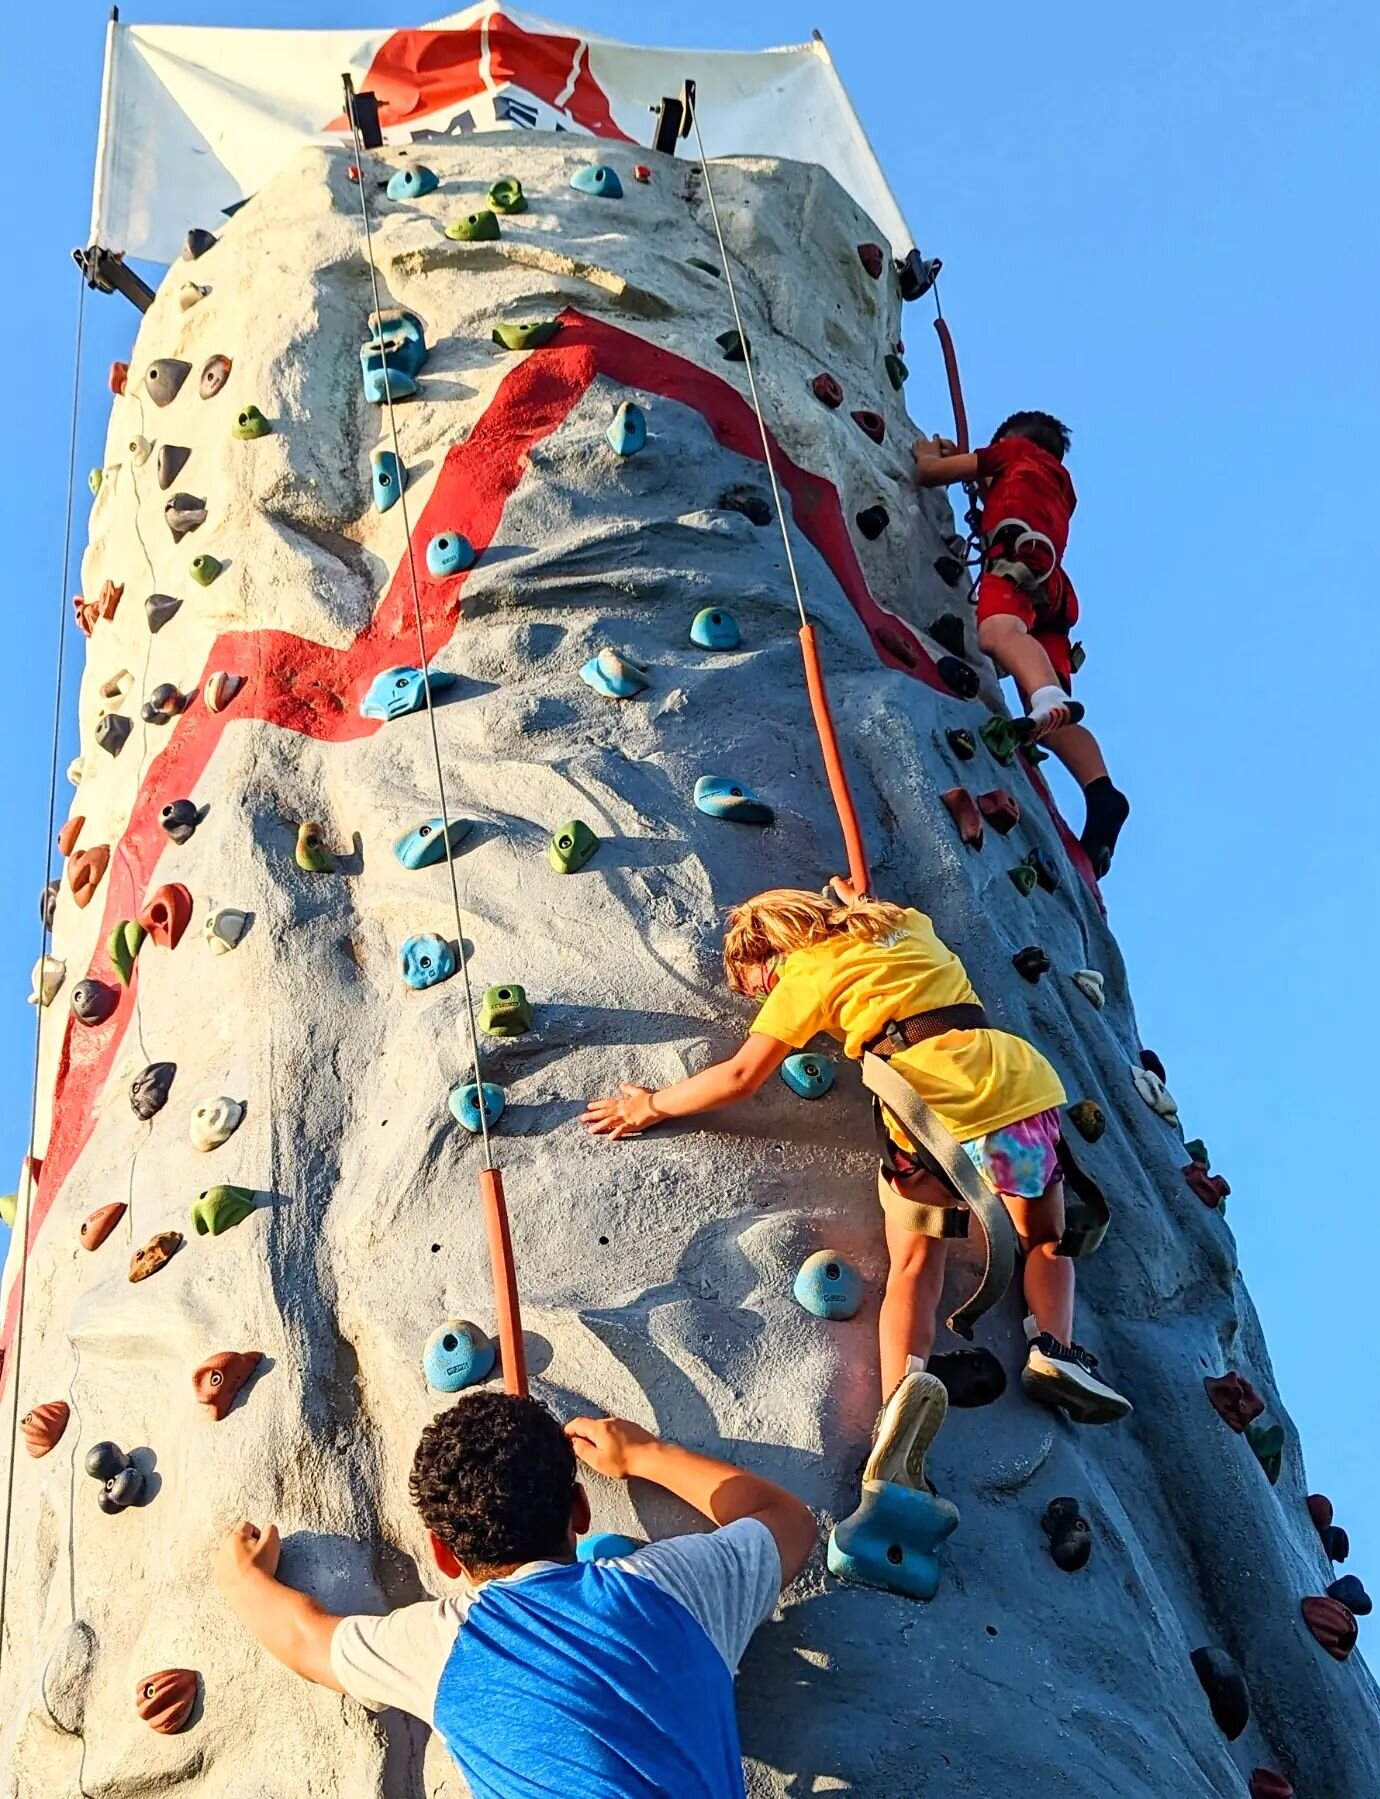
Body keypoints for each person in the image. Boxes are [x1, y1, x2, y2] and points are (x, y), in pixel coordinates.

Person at [584, 883, 1131, 1473]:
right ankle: (1055, 1348)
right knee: (1045, 1239)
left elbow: (742, 1074)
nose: (764, 996)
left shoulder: (805, 975)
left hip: (924, 1112)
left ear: (772, 952)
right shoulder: (905, 921)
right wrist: (853, 900)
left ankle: (902, 1393)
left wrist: (651, 1106)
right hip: (1012, 1089)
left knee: (916, 1264)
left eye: (759, 985)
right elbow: (869, 904)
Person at [214, 1391, 815, 1799]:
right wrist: (643, 1454)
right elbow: (786, 1518)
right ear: (579, 1510)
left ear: (443, 1554)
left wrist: (243, 1580)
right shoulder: (671, 1586)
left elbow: (304, 1639)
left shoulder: (440, 1646)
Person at [913, 410, 1130, 877]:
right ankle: (1101, 791)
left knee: (997, 634)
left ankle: (1048, 698)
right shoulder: (1057, 484)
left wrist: (930, 452)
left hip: (1018, 559)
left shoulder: (1014, 453)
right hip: (1053, 586)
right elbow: (1001, 491)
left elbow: (928, 474)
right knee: (1048, 708)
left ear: (1009, 441)